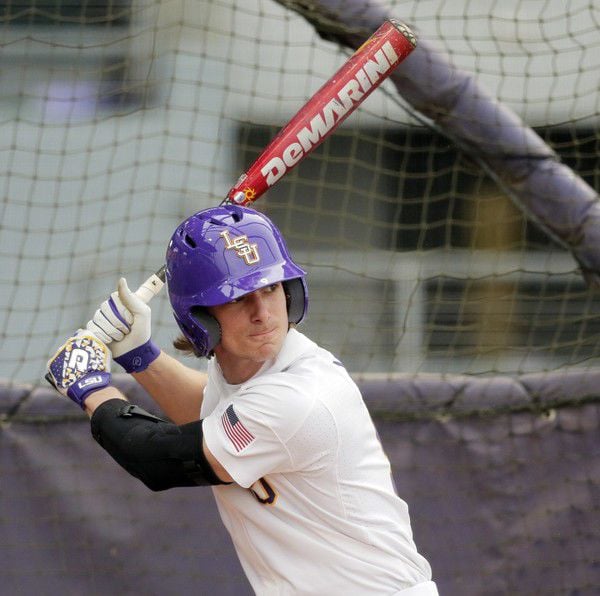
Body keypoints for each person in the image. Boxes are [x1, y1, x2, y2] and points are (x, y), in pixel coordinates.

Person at [46, 205, 438, 595]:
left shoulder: (299, 397)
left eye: (270, 288)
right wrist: (138, 355)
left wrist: (90, 386)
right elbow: (212, 413)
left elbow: (158, 459)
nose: (262, 313)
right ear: (199, 315)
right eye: (237, 297)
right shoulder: (251, 372)